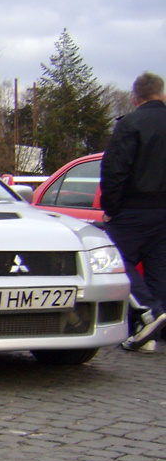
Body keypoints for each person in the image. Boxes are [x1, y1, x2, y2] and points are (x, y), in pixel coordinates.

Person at [100, 71, 166, 351]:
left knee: (111, 259)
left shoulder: (130, 124)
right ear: (162, 94)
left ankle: (148, 313)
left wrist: (110, 209)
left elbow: (115, 169)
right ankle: (154, 331)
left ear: (135, 98)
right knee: (159, 270)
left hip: (133, 209)